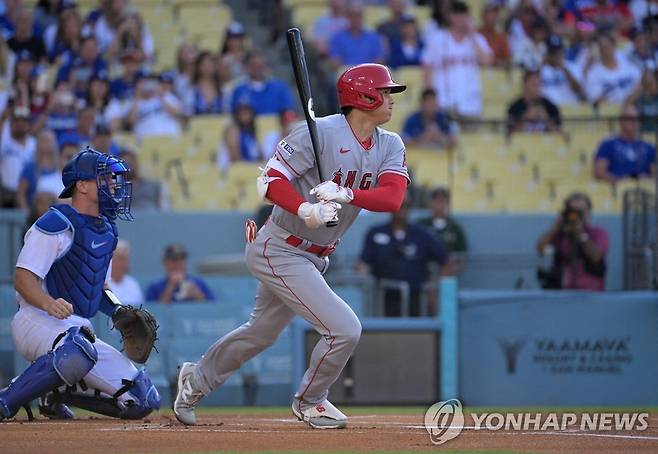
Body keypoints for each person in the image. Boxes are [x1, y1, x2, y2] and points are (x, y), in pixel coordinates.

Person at [173, 63, 409, 429]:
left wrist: (346, 193)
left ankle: (195, 379)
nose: (391, 100)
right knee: (345, 329)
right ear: (364, 97)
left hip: (315, 256)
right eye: (386, 92)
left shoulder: (390, 144)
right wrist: (307, 209)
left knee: (261, 333)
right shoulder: (319, 132)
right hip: (280, 246)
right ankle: (311, 401)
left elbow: (393, 198)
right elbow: (268, 181)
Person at [0, 148, 160, 421]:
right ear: (82, 185)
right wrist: (49, 304)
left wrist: (119, 310)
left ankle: (53, 393)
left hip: (75, 331)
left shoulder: (108, 229)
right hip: (34, 320)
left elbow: (98, 289)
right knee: (77, 350)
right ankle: (7, 400)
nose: (113, 184)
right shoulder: (56, 223)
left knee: (144, 399)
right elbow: (23, 279)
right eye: (106, 178)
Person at [358, 199, 447, 316]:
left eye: (405, 206)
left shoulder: (421, 234)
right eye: (398, 205)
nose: (401, 210)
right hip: (384, 297)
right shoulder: (375, 232)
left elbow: (445, 261)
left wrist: (434, 287)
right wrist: (364, 278)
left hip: (416, 297)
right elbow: (363, 263)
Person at [421, 0, 493, 119]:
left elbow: (488, 61)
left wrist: (472, 35)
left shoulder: (477, 39)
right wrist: (433, 99)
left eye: (464, 16)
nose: (461, 20)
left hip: (470, 103)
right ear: (451, 17)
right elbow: (426, 67)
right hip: (444, 101)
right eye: (457, 15)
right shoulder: (438, 38)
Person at [536, 192, 609, 291]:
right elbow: (540, 248)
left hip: (591, 293)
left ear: (589, 212)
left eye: (581, 211)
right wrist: (556, 225)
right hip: (563, 293)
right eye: (573, 211)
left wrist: (580, 234)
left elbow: (596, 257)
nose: (577, 215)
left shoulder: (598, 233)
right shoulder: (560, 234)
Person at [593, 104, 656, 182]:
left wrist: (645, 179)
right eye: (630, 119)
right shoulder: (607, 144)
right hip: (616, 189)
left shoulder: (649, 147)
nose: (634, 122)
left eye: (637, 119)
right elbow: (599, 172)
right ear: (621, 121)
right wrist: (621, 181)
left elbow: (654, 174)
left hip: (644, 190)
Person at [417, 186, 467, 276]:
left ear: (447, 204)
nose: (439, 205)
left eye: (442, 201)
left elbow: (461, 255)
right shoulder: (421, 225)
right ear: (431, 203)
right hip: (423, 274)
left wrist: (450, 271)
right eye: (436, 200)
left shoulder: (455, 228)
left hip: (447, 275)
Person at [229, 51, 295, 115]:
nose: (258, 68)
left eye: (261, 65)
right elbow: (235, 116)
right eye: (254, 65)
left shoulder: (280, 88)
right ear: (247, 67)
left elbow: (289, 113)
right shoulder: (239, 91)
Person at [584, 33, 641, 106]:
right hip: (610, 112)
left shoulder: (625, 61)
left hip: (633, 107)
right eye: (602, 46)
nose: (606, 47)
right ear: (598, 49)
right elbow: (596, 102)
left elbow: (640, 84)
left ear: (613, 45)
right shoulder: (593, 73)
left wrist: (629, 101)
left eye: (608, 44)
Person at [145, 244, 214, 303]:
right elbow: (151, 313)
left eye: (182, 260)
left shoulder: (198, 283)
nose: (178, 264)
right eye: (174, 260)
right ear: (165, 263)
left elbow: (214, 309)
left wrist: (197, 295)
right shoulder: (155, 287)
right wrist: (170, 287)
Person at [125, 74, 183, 140]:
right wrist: (137, 96)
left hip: (170, 138)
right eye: (143, 84)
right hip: (147, 142)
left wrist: (161, 97)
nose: (147, 86)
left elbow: (176, 114)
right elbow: (131, 121)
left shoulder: (167, 96)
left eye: (149, 83)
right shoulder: (134, 102)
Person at [1, 105, 36, 208]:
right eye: (17, 121)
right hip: (6, 194)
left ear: (29, 124)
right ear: (12, 124)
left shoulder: (34, 144)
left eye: (24, 121)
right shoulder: (4, 143)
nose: (21, 124)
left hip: (29, 194)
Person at [328, 3, 385, 68]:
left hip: (368, 72)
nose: (356, 18)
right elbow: (335, 61)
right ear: (348, 17)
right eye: (353, 15)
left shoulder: (374, 37)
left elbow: (379, 60)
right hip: (346, 73)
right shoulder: (337, 38)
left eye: (359, 15)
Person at [16, 129, 61, 208]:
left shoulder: (60, 167)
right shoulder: (30, 167)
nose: (47, 144)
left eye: (49, 140)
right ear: (37, 144)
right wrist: (26, 213)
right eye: (44, 140)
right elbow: (21, 194)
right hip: (35, 215)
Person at [540, 35, 585, 106]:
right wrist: (542, 64)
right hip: (548, 112)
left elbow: (579, 90)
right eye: (553, 52)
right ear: (547, 53)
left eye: (558, 51)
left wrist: (564, 68)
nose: (556, 55)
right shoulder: (541, 69)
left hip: (569, 111)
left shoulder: (572, 66)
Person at [109, 240, 144, 306]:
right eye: (121, 259)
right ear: (111, 260)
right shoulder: (103, 285)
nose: (124, 264)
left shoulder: (133, 284)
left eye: (126, 259)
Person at [478, 2, 510, 68]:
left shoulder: (502, 37)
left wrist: (498, 63)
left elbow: (507, 61)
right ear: (483, 15)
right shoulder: (475, 34)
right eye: (489, 13)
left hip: (496, 75)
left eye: (494, 13)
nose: (492, 17)